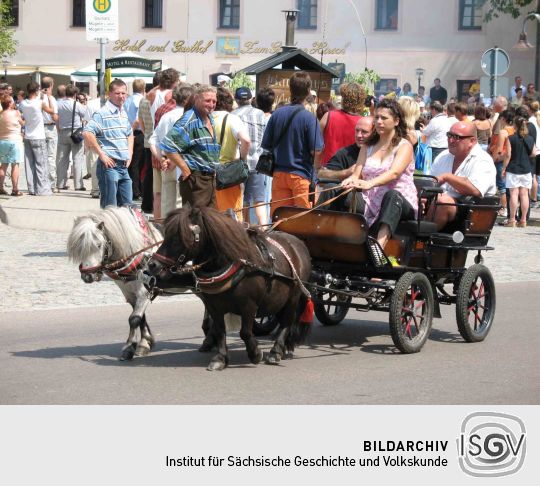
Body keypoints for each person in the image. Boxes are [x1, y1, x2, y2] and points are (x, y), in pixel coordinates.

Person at [341, 99, 417, 250]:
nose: (379, 122)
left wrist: (369, 183)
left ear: (396, 121)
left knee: (392, 195)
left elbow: (394, 173)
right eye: (376, 117)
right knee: (335, 191)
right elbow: (357, 174)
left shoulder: (404, 146)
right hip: (370, 199)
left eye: (384, 118)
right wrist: (349, 181)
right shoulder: (367, 146)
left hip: (400, 202)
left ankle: (378, 249)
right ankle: (322, 239)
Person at [261, 71, 323, 215]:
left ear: (290, 89)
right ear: (308, 91)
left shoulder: (276, 114)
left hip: (279, 175)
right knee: (304, 219)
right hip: (301, 175)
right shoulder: (309, 118)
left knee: (280, 219)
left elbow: (267, 145)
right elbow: (317, 151)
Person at [160, 85, 220, 208]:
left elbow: (189, 146)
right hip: (196, 180)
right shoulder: (189, 119)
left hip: (209, 179)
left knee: (210, 222)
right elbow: (168, 146)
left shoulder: (209, 118)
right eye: (207, 100)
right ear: (197, 99)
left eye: (214, 101)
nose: (211, 104)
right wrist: (185, 169)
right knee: (195, 221)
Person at [429, 122, 497, 230]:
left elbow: (475, 189)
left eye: (456, 137)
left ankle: (423, 238)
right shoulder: (443, 156)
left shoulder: (483, 160)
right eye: (449, 135)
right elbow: (430, 182)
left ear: (472, 141)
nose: (450, 140)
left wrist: (447, 177)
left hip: (468, 213)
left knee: (443, 202)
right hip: (441, 205)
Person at [83, 79, 133, 208]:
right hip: (109, 166)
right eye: (117, 93)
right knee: (110, 207)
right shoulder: (102, 113)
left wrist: (130, 154)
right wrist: (101, 154)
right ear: (109, 94)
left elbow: (130, 134)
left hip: (123, 166)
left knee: (127, 206)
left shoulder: (123, 112)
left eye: (123, 93)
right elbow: (87, 132)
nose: (121, 96)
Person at [148, 84, 194, 217]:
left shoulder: (167, 116)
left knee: (167, 203)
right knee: (181, 204)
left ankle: (166, 231)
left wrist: (161, 158)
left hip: (167, 163)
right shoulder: (189, 116)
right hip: (181, 163)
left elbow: (153, 140)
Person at [316, 116, 375, 212]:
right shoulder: (346, 153)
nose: (359, 135)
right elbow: (321, 175)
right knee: (330, 187)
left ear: (374, 133)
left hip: (373, 201)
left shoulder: (380, 153)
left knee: (331, 189)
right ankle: (316, 222)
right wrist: (346, 172)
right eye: (357, 131)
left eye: (364, 132)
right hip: (349, 201)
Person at [232, 86, 268, 225]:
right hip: (257, 162)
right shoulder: (260, 114)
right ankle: (264, 228)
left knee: (242, 199)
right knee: (259, 200)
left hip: (240, 163)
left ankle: (245, 227)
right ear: (251, 99)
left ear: (236, 99)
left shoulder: (233, 115)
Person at [213, 87, 251, 218]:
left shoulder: (204, 118)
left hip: (205, 174)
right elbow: (246, 140)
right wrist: (242, 159)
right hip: (227, 174)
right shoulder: (232, 119)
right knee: (231, 215)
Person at [19, 81, 57, 196]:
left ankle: (32, 188)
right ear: (36, 90)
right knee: (41, 164)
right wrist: (48, 96)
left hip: (28, 136)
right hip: (39, 136)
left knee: (29, 164)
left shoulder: (23, 103)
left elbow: (22, 117)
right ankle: (43, 190)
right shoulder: (40, 103)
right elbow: (52, 111)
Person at [502, 114, 536, 227]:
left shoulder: (511, 138)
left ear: (515, 126)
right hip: (526, 169)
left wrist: (504, 168)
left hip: (513, 168)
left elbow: (508, 155)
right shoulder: (530, 138)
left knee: (513, 194)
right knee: (524, 195)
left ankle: (512, 219)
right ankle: (523, 220)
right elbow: (533, 153)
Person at [319, 82, 365, 165]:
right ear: (361, 101)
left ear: (343, 99)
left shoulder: (328, 116)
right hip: (351, 169)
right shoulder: (364, 122)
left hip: (328, 169)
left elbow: (316, 144)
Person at [56, 84, 87, 192]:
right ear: (75, 94)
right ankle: (78, 185)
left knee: (62, 159)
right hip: (75, 133)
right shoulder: (77, 104)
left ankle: (60, 183)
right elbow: (85, 115)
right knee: (77, 159)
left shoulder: (59, 104)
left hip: (62, 132)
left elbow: (56, 117)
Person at [123, 78, 146, 200]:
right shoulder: (141, 100)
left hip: (129, 133)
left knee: (132, 163)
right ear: (144, 88)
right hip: (138, 132)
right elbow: (138, 120)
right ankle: (136, 191)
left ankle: (131, 189)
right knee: (138, 164)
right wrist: (132, 131)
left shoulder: (128, 100)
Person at [0, 94, 24, 196]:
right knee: (15, 165)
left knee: (3, 165)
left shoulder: (0, 114)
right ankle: (15, 189)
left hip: (2, 141)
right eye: (12, 101)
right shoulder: (16, 113)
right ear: (9, 103)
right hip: (14, 141)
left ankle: (0, 187)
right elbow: (22, 123)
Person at [40, 77, 59, 193]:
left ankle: (41, 183)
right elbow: (54, 116)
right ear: (51, 85)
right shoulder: (51, 99)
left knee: (41, 158)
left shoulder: (37, 98)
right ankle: (52, 184)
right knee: (51, 157)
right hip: (51, 128)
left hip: (40, 128)